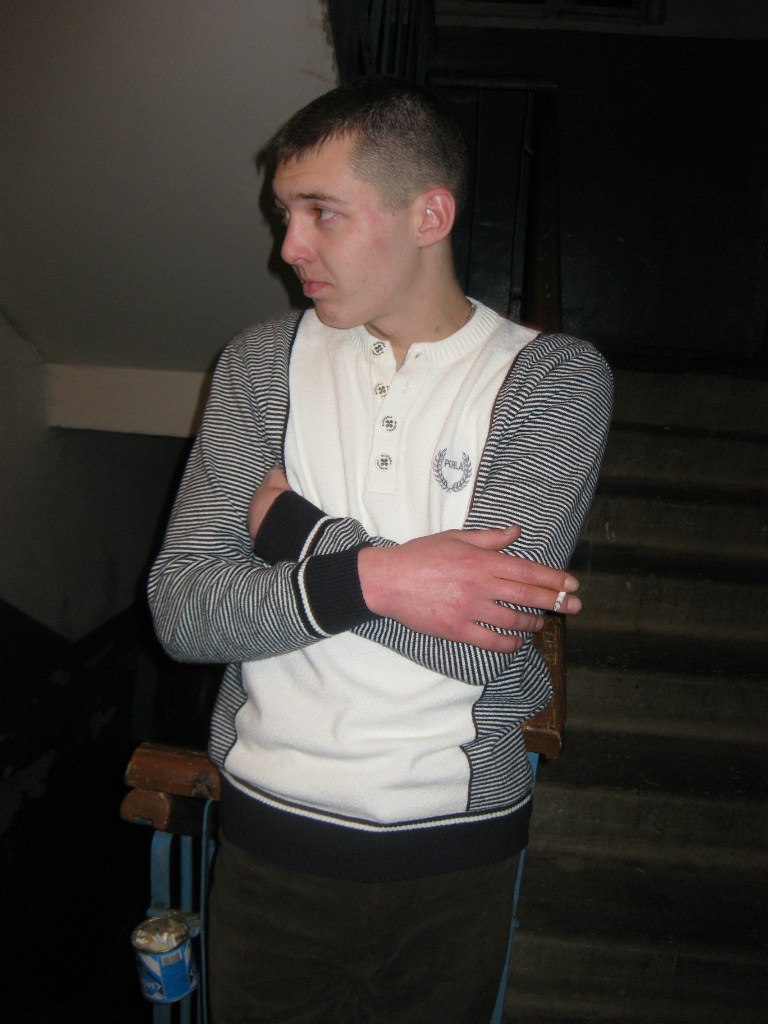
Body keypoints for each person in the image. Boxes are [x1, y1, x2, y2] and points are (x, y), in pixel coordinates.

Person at [148, 76, 613, 1024]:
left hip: (455, 858)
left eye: (322, 212)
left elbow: (485, 641)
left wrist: (298, 533)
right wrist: (387, 577)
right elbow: (185, 611)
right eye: (286, 213)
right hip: (268, 845)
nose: (289, 247)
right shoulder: (259, 366)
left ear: (428, 215)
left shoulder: (552, 379)